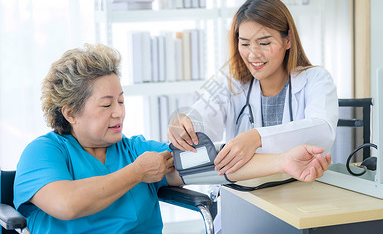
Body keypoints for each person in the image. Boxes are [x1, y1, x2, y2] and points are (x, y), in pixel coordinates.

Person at [13, 43, 331, 233]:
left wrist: (283, 161)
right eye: (106, 105)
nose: (118, 113)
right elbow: (67, 205)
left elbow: (216, 165)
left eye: (121, 101)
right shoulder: (44, 153)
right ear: (70, 112)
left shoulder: (136, 149)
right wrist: (138, 173)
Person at [168, 0, 338, 175]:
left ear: (287, 40)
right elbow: (204, 116)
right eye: (245, 43)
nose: (253, 54)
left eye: (264, 43)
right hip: (244, 192)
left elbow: (323, 130)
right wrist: (185, 124)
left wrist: (257, 138)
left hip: (298, 192)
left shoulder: (316, 79)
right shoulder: (231, 82)